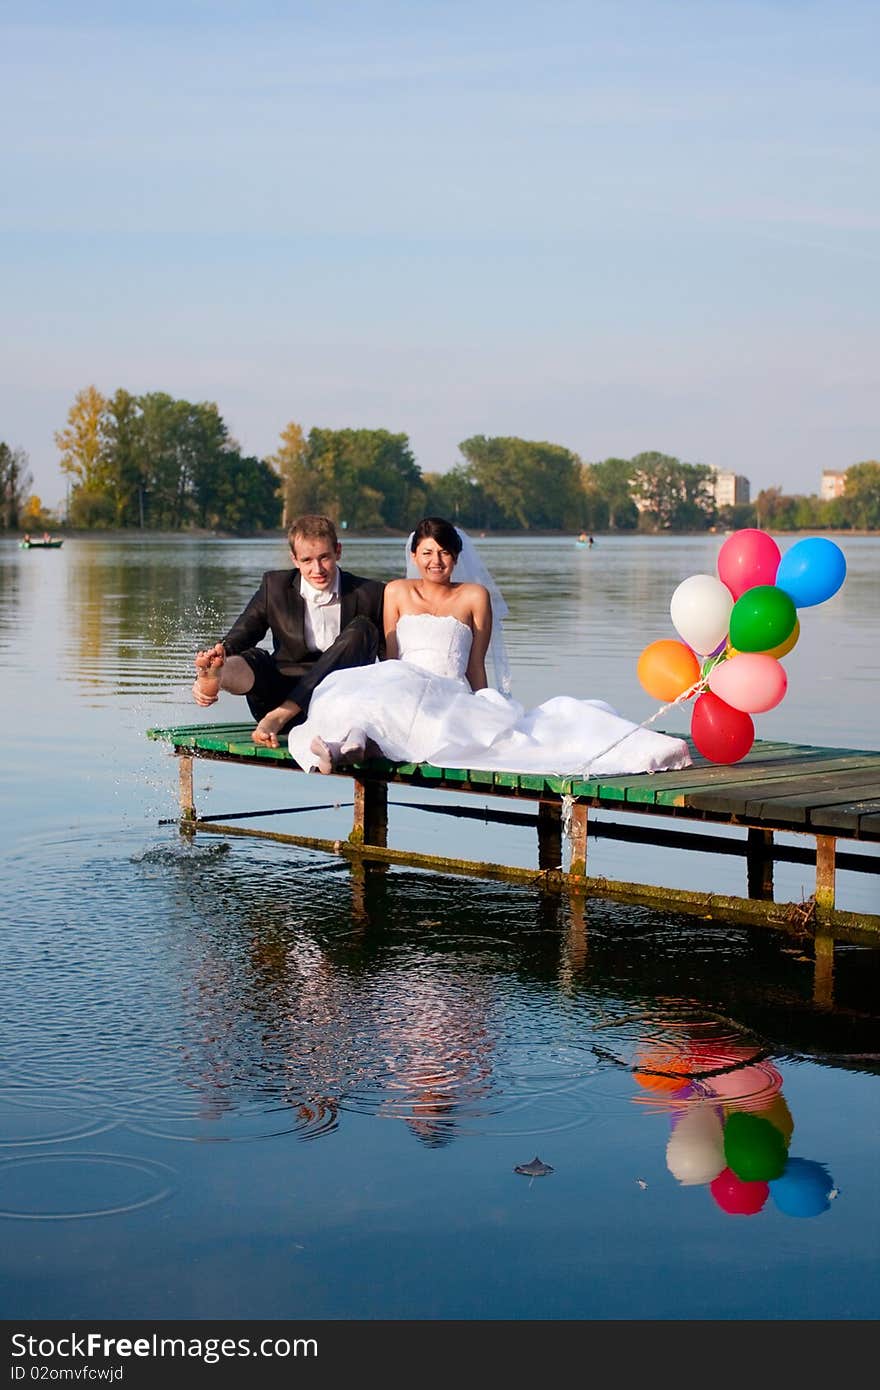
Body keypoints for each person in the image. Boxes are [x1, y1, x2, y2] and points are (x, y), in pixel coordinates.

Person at [287, 516, 692, 777]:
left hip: (448, 689)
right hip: (402, 677)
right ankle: (347, 746)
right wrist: (383, 680)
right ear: (414, 555)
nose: (435, 561)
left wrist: (486, 703)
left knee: (427, 714)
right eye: (427, 553)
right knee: (374, 691)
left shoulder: (474, 596)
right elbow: (390, 657)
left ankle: (351, 747)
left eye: (444, 553)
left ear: (456, 556)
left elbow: (475, 664)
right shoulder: (396, 591)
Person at [192, 514, 385, 747]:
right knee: (253, 657)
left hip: (336, 707)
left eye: (324, 558)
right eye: (307, 560)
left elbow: (390, 659)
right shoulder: (275, 587)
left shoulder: (371, 593)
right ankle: (219, 677)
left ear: (338, 551)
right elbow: (241, 634)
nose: (317, 569)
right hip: (277, 697)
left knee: (361, 630)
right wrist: (216, 659)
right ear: (294, 559)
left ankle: (282, 713)